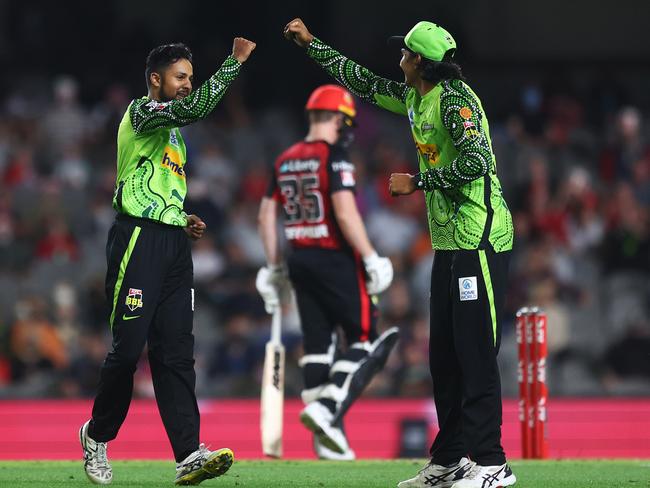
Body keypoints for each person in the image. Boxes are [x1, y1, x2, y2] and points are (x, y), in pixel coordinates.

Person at [284, 18, 515, 488]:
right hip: (451, 244)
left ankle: (492, 464)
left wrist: (419, 181)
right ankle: (450, 460)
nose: (400, 60)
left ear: (423, 63)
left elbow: (478, 161)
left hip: (480, 239)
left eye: (406, 54)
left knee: (474, 354)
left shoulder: (455, 100)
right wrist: (312, 45)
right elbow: (363, 82)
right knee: (444, 358)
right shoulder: (416, 95)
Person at [79, 39, 256, 486]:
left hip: (173, 244)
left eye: (191, 78)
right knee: (127, 350)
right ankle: (97, 435)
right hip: (136, 239)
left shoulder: (173, 134)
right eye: (181, 77)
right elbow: (193, 110)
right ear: (156, 79)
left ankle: (188, 454)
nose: (187, 85)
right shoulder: (141, 113)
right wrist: (232, 63)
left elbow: (161, 185)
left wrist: (181, 218)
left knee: (177, 352)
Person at [256, 84, 398, 460]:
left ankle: (326, 438)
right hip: (336, 258)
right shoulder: (335, 157)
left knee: (318, 346)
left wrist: (273, 267)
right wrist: (370, 256)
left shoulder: (285, 158)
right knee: (365, 338)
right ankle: (329, 408)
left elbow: (266, 215)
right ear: (338, 118)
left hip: (299, 259)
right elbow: (346, 211)